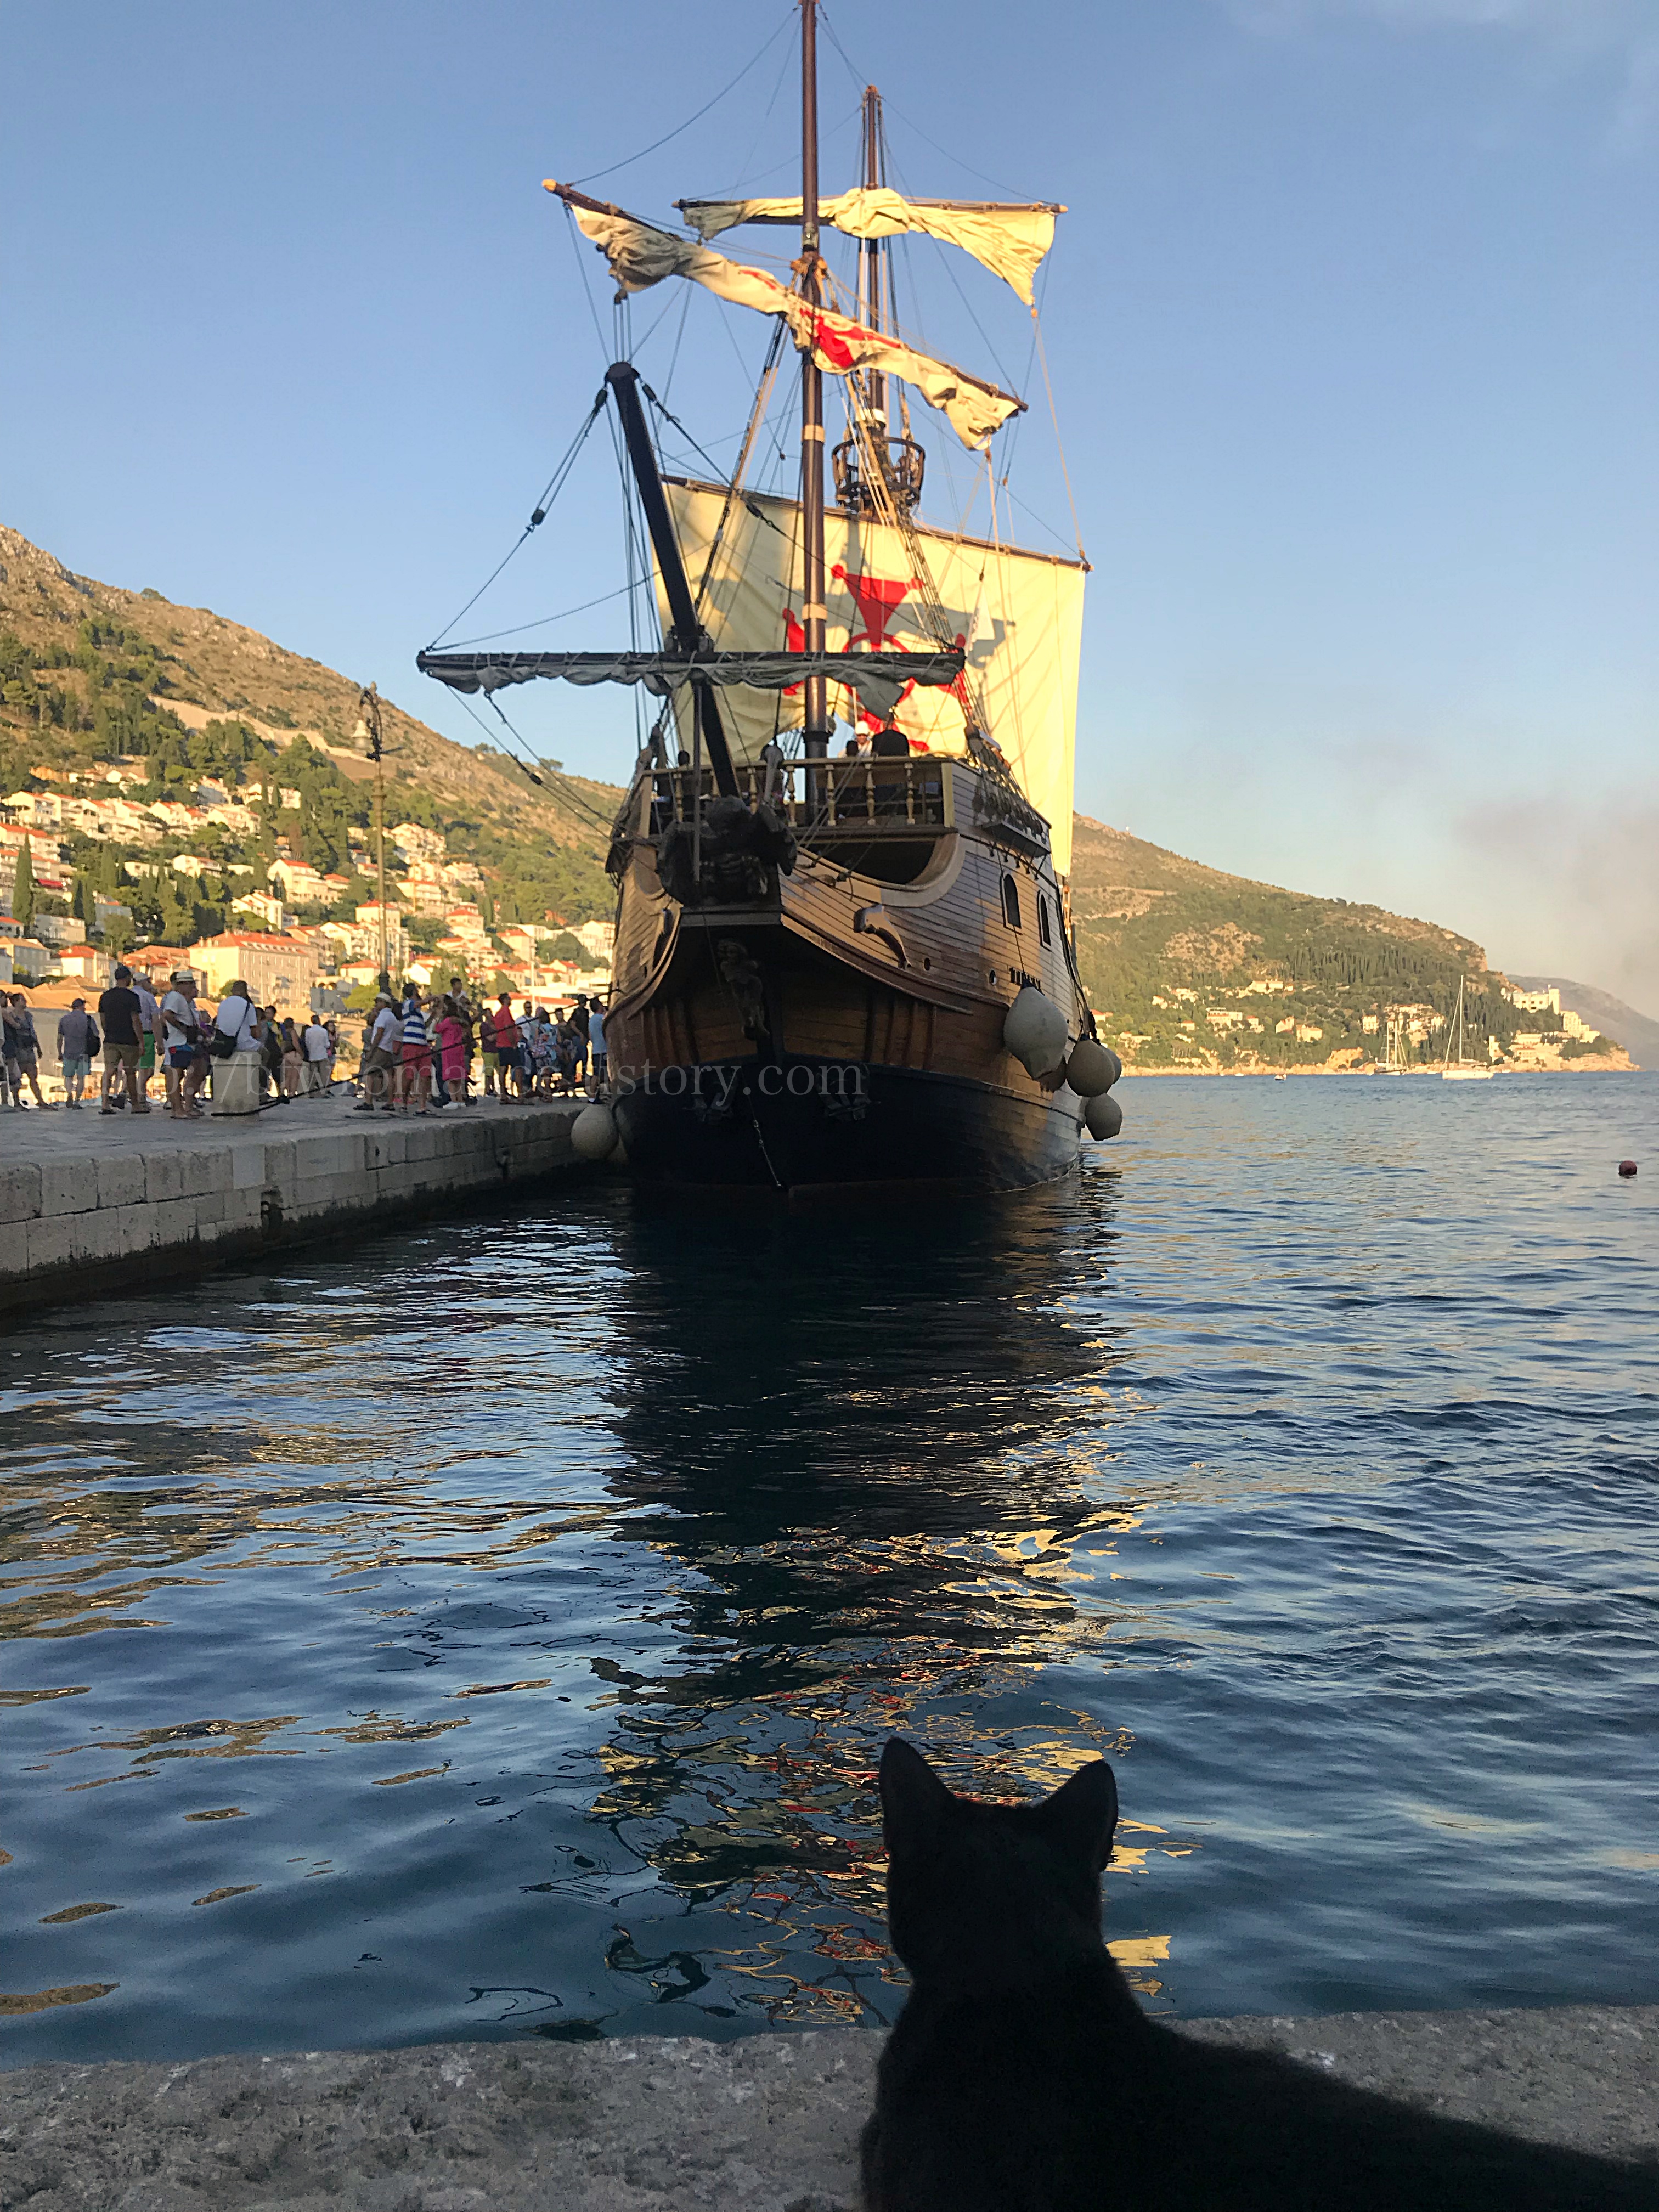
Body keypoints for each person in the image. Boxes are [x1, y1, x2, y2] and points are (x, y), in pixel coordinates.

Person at [98, 964, 149, 1115]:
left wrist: (108, 1032)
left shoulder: (105, 996)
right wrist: (141, 1042)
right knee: (131, 1072)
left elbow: (103, 1019)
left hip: (110, 1039)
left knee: (109, 1071)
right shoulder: (132, 997)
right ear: (127, 979)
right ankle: (135, 1105)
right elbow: (135, 1021)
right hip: (129, 1040)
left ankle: (104, 1104)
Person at [159, 970, 205, 1119]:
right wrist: (182, 1028)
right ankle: (177, 1109)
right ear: (183, 984)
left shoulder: (183, 1000)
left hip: (186, 1042)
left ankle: (184, 1107)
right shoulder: (175, 997)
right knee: (176, 1073)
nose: (193, 986)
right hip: (179, 1042)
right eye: (191, 984)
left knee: (195, 1070)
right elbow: (167, 1015)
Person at [354, 993, 401, 1114]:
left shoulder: (383, 1016)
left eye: (378, 1002)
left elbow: (379, 1034)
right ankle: (390, 1102)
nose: (376, 1004)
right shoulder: (392, 1017)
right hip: (389, 1049)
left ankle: (368, 1102)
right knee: (388, 1075)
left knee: (369, 1073)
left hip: (380, 1048)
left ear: (383, 1003)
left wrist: (372, 1050)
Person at [7, 994, 53, 1108]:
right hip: (18, 1050)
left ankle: (40, 1100)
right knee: (17, 1078)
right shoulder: (11, 1016)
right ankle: (17, 1102)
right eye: (23, 1000)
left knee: (33, 1076)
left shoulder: (28, 1016)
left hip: (29, 1049)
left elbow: (32, 1032)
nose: (26, 1002)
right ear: (16, 1002)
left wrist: (38, 1046)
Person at [56, 997, 99, 1109]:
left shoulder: (64, 1019)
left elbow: (60, 1038)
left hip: (69, 1052)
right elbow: (96, 1034)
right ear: (81, 1006)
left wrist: (59, 1052)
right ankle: (77, 1101)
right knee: (81, 1078)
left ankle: (69, 1093)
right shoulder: (89, 1020)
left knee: (68, 1076)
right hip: (84, 1053)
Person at [398, 984, 433, 1114]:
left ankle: (422, 1106)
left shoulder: (418, 1013)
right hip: (411, 1044)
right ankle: (404, 1102)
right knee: (409, 1076)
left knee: (425, 1075)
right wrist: (431, 998)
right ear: (414, 991)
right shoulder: (408, 1004)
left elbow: (425, 1025)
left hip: (423, 1045)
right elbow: (419, 1003)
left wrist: (433, 1015)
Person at [433, 993, 469, 1107]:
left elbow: (436, 1029)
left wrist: (437, 1017)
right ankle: (460, 1100)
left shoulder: (448, 1021)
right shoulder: (459, 1022)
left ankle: (453, 1100)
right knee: (457, 1076)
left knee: (449, 1076)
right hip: (458, 1049)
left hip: (448, 1049)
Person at [132, 972, 160, 1104]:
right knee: (147, 1069)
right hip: (146, 1034)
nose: (151, 984)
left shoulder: (129, 994)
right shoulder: (148, 997)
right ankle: (140, 1097)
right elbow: (155, 1020)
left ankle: (134, 1095)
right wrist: (159, 1040)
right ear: (142, 982)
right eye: (149, 982)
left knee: (134, 1068)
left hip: (130, 1036)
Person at [489, 991, 522, 1100]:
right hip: (508, 1045)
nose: (510, 1000)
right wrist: (513, 1043)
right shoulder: (505, 1011)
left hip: (501, 1044)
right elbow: (508, 1027)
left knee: (503, 1069)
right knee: (518, 1068)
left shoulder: (498, 1013)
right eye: (509, 998)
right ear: (504, 1000)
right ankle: (521, 1094)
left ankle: (503, 1093)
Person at [301, 1013, 332, 1097]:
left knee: (313, 1075)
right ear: (318, 1021)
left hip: (313, 1055)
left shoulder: (308, 1031)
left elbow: (307, 1043)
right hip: (322, 1055)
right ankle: (324, 1092)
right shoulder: (324, 1031)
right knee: (324, 1075)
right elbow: (327, 1044)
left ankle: (311, 1092)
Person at [280, 1017, 303, 1100]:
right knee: (295, 1075)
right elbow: (295, 1043)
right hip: (294, 1055)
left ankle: (284, 1091)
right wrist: (301, 1054)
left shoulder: (283, 1033)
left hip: (286, 1055)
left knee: (287, 1075)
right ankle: (292, 1093)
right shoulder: (293, 1032)